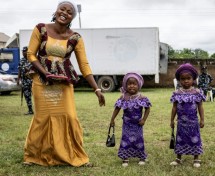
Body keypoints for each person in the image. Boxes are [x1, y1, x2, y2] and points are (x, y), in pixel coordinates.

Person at [23, 0, 105, 167]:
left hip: (63, 82)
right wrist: (44, 72)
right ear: (56, 10)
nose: (65, 13)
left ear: (72, 17)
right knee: (42, 118)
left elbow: (84, 65)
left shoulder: (75, 38)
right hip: (41, 81)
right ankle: (34, 156)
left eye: (69, 12)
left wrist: (96, 88)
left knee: (69, 116)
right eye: (62, 9)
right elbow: (31, 54)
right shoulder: (41, 28)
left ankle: (73, 155)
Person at [109, 72, 151, 167]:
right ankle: (125, 158)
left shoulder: (142, 98)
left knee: (139, 140)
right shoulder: (123, 97)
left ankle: (142, 157)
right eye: (129, 84)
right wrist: (112, 119)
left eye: (134, 84)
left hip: (138, 124)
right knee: (126, 140)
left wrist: (144, 119)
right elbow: (117, 108)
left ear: (138, 85)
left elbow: (148, 108)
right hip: (127, 124)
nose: (132, 86)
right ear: (125, 85)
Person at [170, 63, 205, 168]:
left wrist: (202, 119)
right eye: (183, 78)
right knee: (180, 139)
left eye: (188, 78)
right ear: (179, 80)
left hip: (193, 122)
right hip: (181, 122)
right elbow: (174, 108)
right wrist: (171, 120)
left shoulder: (197, 92)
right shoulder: (177, 93)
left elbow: (200, 107)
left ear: (193, 79)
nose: (186, 81)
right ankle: (178, 158)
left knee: (195, 139)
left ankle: (196, 158)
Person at [17, 46, 34, 115]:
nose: (24, 53)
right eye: (23, 51)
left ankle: (40, 110)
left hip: (33, 81)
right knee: (27, 96)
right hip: (24, 81)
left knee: (37, 96)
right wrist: (18, 79)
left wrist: (29, 70)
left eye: (25, 51)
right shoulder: (21, 60)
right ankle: (30, 110)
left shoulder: (32, 60)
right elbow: (19, 70)